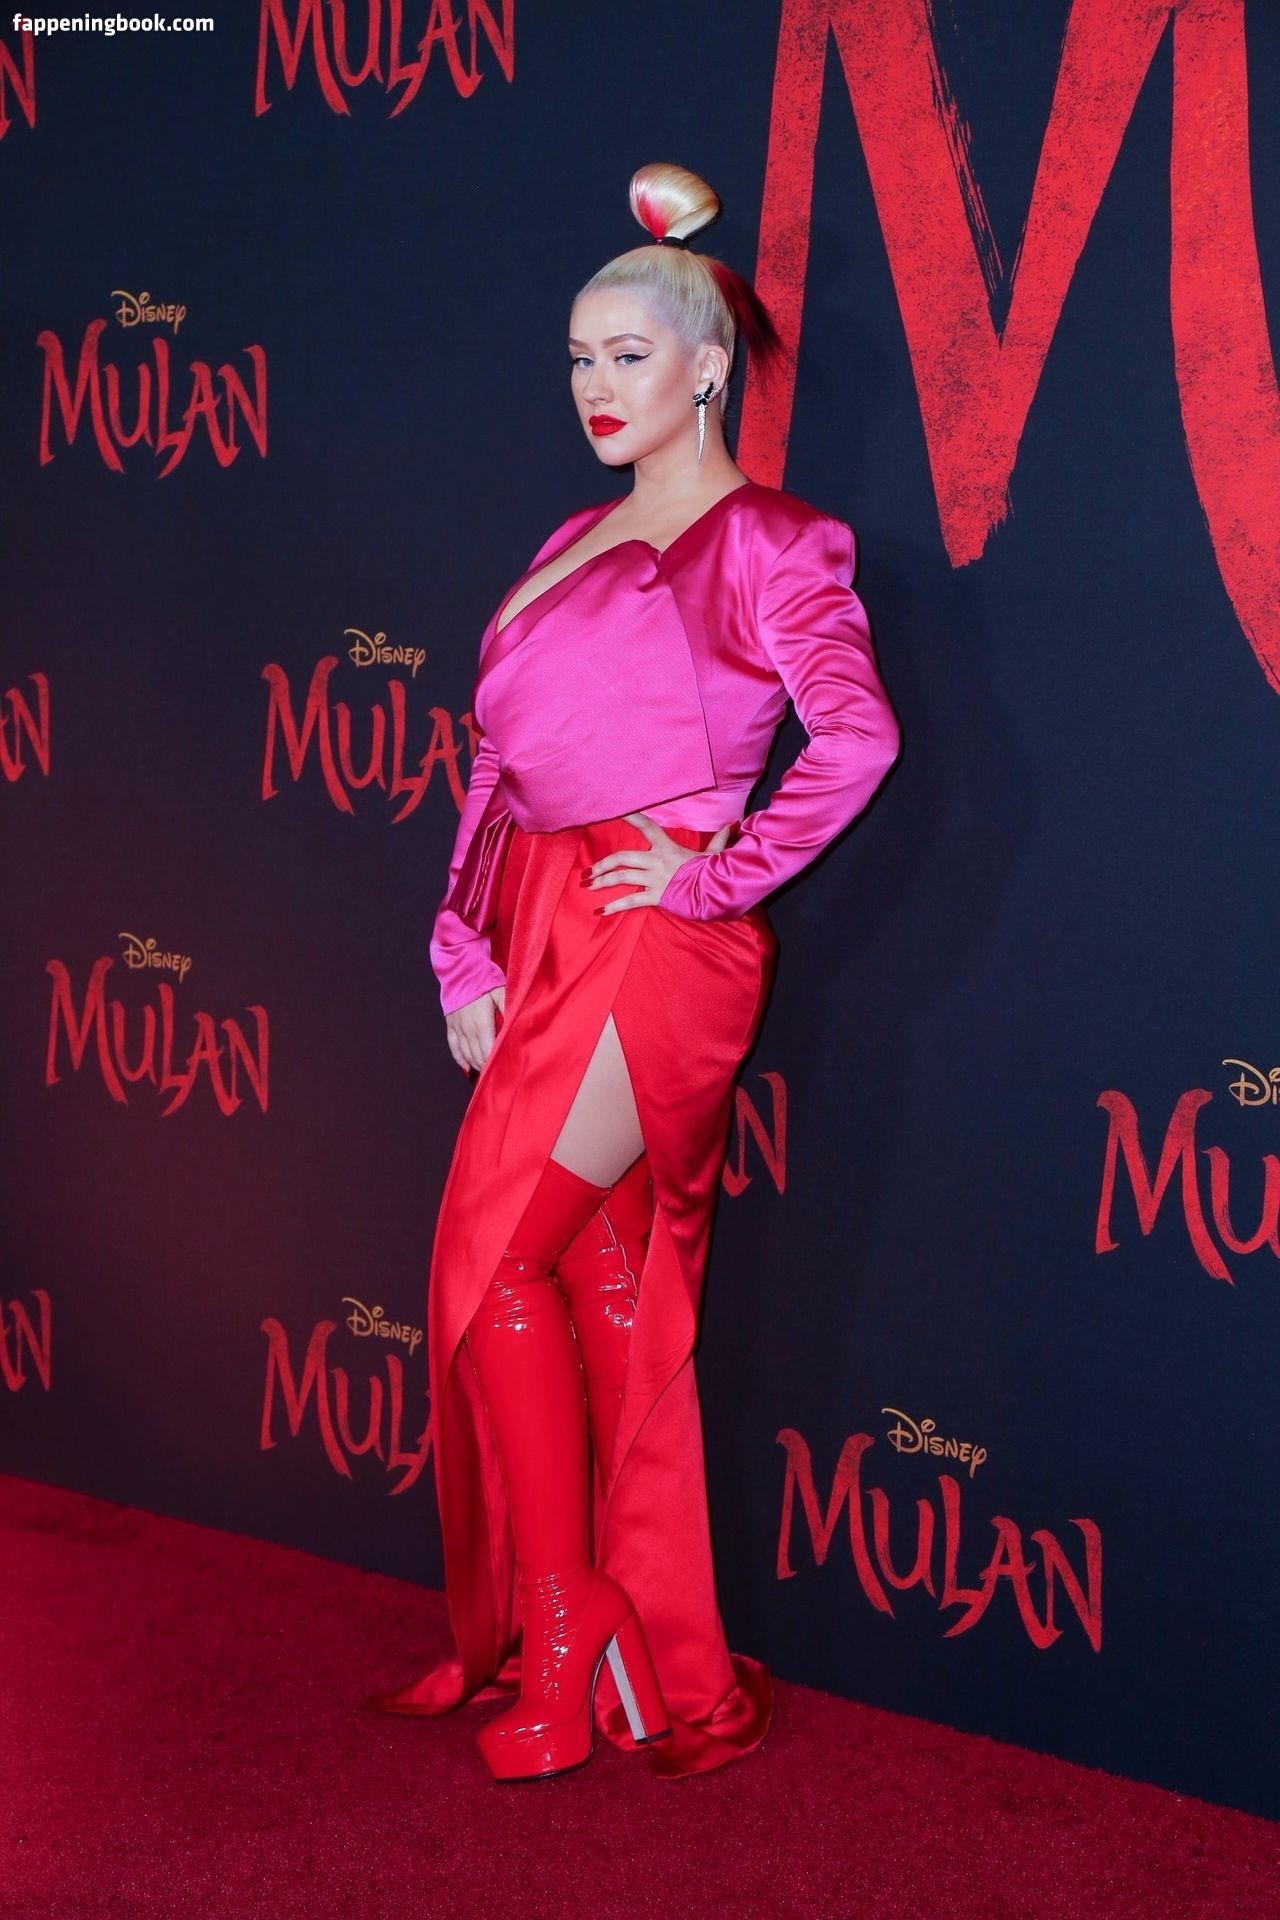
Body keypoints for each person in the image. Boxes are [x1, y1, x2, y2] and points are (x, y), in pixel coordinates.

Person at [367, 161, 902, 1783]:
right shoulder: (570, 535)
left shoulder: (776, 543)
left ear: (708, 365)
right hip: (534, 920)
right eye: (578, 359)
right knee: (594, 1281)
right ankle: (649, 1653)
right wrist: (460, 941)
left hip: (647, 938)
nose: (595, 386)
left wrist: (714, 874)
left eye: (627, 354)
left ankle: (566, 1618)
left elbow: (857, 739)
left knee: (489, 1270)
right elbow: (494, 761)